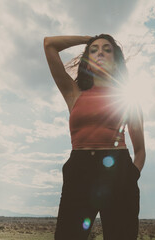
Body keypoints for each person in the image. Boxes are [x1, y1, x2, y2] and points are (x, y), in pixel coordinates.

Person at [43, 34, 146, 240]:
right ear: (87, 63)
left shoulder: (128, 99)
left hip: (120, 172)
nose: (100, 52)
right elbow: (49, 44)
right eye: (94, 50)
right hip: (78, 172)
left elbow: (140, 149)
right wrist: (88, 39)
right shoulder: (74, 93)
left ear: (116, 63)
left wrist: (131, 175)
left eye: (107, 50)